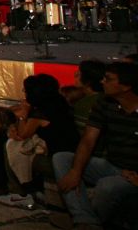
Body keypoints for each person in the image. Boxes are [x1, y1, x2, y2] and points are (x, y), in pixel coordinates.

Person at [53, 62, 138, 229]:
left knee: (108, 186)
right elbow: (88, 140)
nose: (102, 82)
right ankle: (85, 220)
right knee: (62, 159)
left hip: (134, 174)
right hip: (115, 166)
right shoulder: (105, 103)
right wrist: (75, 172)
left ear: (126, 86)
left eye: (108, 79)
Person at [0, 73, 79, 210]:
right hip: (66, 153)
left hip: (56, 160)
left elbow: (23, 134)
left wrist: (24, 114)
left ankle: (21, 193)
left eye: (25, 90)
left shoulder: (41, 113)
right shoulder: (59, 104)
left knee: (12, 146)